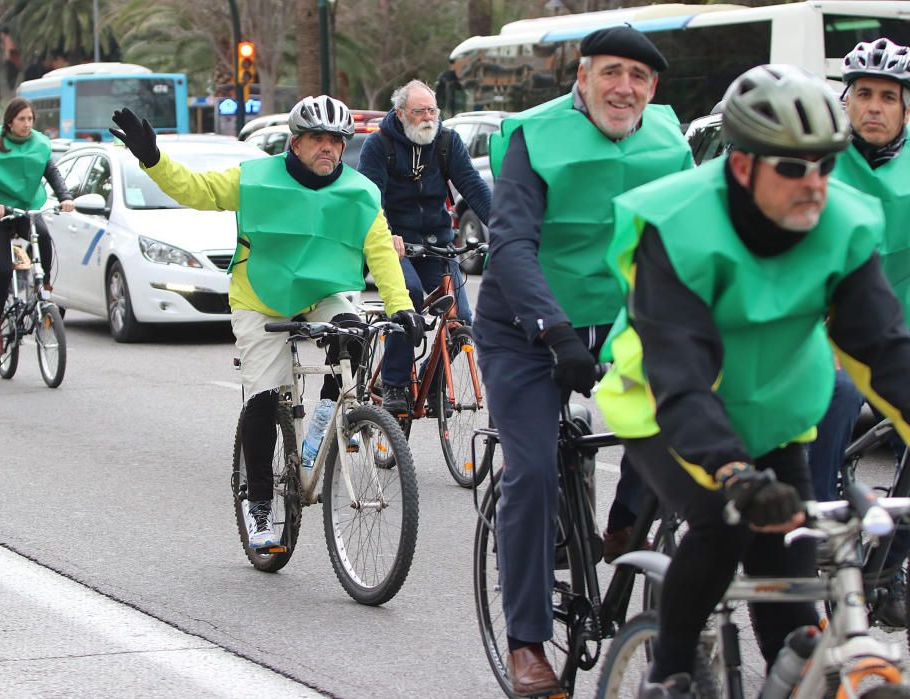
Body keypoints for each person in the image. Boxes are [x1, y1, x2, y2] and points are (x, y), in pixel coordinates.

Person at [596, 64, 910, 698]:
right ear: (743, 167)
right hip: (667, 407)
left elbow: (880, 348)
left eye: (824, 164)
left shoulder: (843, 222)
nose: (815, 184)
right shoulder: (678, 222)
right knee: (723, 519)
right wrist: (734, 471)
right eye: (792, 168)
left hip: (773, 412)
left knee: (795, 601)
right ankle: (671, 672)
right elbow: (679, 369)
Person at [472, 26, 693, 697]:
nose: (624, 88)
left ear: (653, 90)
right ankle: (527, 641)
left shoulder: (670, 140)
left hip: (623, 319)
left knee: (677, 434)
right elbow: (509, 245)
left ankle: (625, 517)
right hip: (525, 322)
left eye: (639, 77)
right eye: (612, 73)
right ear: (583, 75)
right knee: (534, 471)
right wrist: (554, 329)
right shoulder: (533, 135)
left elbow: (689, 233)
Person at [110, 96, 423, 548]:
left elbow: (380, 253)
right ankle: (259, 505)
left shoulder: (361, 192)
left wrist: (402, 307)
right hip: (260, 295)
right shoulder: (255, 178)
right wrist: (152, 159)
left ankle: (322, 421)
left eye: (336, 140)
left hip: (322, 291)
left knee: (356, 334)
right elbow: (195, 189)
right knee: (262, 396)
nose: (328, 148)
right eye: (318, 139)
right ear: (295, 143)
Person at [805, 37, 910, 627]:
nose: (874, 106)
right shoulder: (817, 157)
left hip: (898, 325)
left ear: (906, 109)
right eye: (863, 94)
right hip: (819, 322)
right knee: (835, 394)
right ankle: (818, 524)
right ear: (846, 102)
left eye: (888, 98)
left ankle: (889, 565)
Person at [357, 79, 491, 415]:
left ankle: (434, 384)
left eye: (432, 110)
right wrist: (384, 234)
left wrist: (506, 228)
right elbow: (369, 200)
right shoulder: (379, 145)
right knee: (410, 297)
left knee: (461, 318)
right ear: (401, 113)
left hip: (437, 244)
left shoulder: (446, 141)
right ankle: (395, 383)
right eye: (419, 111)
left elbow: (473, 187)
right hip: (394, 244)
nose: (428, 117)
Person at [0, 97, 74, 356]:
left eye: (30, 119)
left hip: (25, 209)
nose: (27, 124)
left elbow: (52, 173)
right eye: (22, 120)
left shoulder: (39, 145)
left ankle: (44, 287)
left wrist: (66, 197)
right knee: (4, 270)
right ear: (10, 122)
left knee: (44, 236)